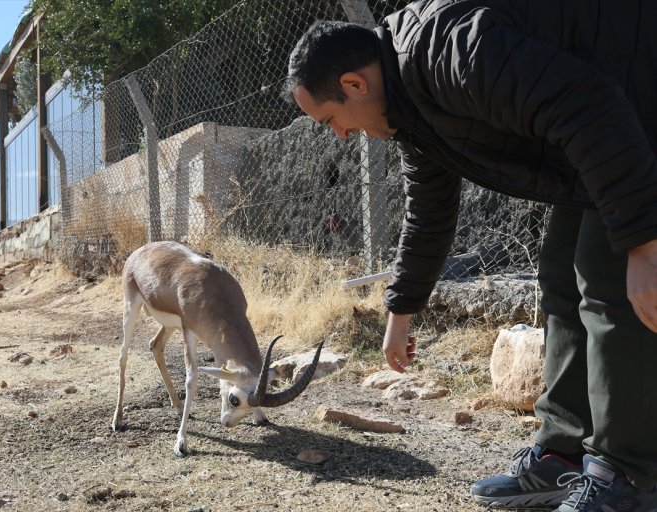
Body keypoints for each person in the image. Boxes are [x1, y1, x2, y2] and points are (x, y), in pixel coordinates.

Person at [282, 1, 657, 511]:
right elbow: (429, 213)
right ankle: (565, 452)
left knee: (607, 277)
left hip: (633, 102)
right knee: (560, 275)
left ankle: (627, 477)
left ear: (354, 85)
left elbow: (587, 102)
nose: (340, 135)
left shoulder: (449, 54)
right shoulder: (410, 106)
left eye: (331, 119)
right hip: (602, 130)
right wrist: (400, 312)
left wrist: (643, 241)